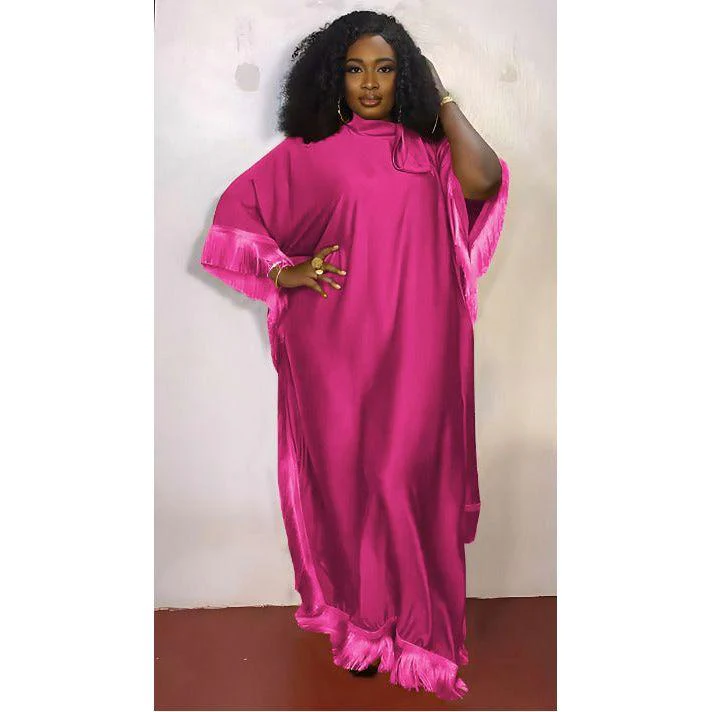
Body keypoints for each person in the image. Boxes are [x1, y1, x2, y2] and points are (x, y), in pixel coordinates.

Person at [200, 10, 509, 701]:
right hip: (337, 348)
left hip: (422, 346)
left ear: (407, 77)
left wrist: (442, 99)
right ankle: (366, 629)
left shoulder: (431, 152)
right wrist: (286, 272)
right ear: (333, 77)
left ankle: (424, 635)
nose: (370, 83)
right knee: (353, 486)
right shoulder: (309, 153)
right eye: (355, 69)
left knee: (408, 479)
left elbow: (486, 180)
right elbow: (236, 213)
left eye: (387, 68)